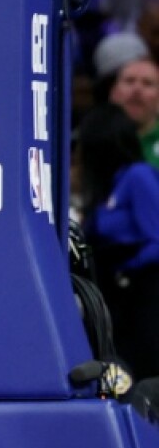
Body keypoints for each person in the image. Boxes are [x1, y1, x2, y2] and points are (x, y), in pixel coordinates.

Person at [76, 103, 159, 380]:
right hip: (119, 302)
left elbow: (157, 240)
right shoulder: (108, 187)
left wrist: (126, 267)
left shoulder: (138, 176)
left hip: (146, 297)